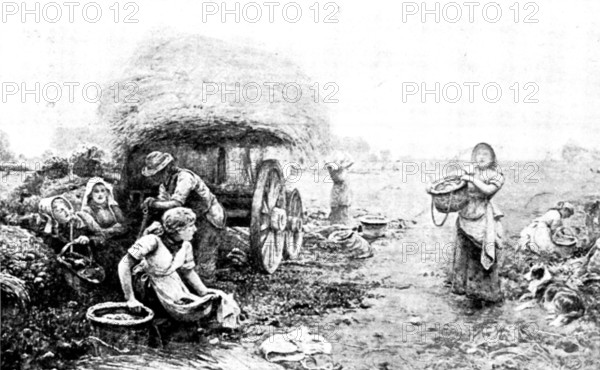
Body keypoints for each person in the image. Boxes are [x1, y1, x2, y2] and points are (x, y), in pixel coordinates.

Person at [118, 207, 239, 327]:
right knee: (165, 318)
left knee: (201, 305)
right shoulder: (152, 241)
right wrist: (130, 298)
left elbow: (188, 272)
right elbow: (124, 264)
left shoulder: (186, 246)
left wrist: (203, 291)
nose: (195, 229)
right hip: (149, 287)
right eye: (191, 226)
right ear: (179, 229)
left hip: (172, 284)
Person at [140, 151, 226, 283]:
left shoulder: (184, 177)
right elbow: (165, 204)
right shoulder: (164, 185)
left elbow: (177, 202)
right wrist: (154, 203)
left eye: (158, 173)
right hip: (189, 219)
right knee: (187, 252)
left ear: (167, 168)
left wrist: (154, 203)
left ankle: (207, 285)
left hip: (208, 216)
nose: (155, 177)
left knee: (205, 252)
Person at [450, 143, 504, 304]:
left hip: (483, 216)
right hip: (465, 213)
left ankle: (486, 293)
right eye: (478, 154)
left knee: (483, 250)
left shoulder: (496, 175)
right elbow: (451, 178)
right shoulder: (469, 170)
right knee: (463, 252)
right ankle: (465, 288)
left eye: (485, 155)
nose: (481, 157)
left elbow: (488, 191)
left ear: (492, 158)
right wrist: (432, 186)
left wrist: (471, 179)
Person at [325, 154, 354, 226]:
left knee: (342, 210)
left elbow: (351, 162)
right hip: (340, 193)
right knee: (339, 211)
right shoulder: (336, 170)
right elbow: (351, 162)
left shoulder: (338, 169)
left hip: (342, 192)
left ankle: (340, 224)